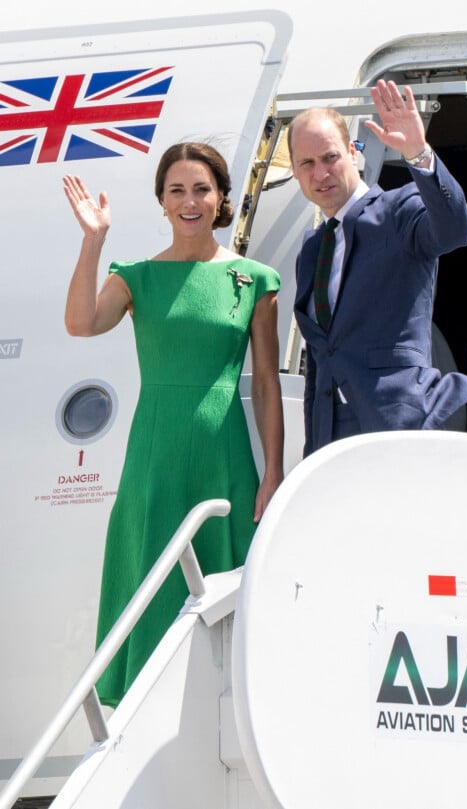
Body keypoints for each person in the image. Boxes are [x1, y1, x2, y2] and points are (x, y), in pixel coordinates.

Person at [64, 141, 284, 707]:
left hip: (226, 454)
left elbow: (264, 383)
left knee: (227, 590)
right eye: (177, 190)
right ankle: (143, 711)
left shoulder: (255, 279)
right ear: (161, 201)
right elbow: (81, 323)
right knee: (152, 578)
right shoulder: (135, 277)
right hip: (155, 454)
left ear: (221, 199)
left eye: (201, 189)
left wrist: (274, 469)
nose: (190, 201)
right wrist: (94, 241)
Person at [289, 79, 467, 456]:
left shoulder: (399, 210)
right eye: (307, 163)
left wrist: (419, 154)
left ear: (354, 153)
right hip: (331, 439)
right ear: (295, 170)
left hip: (399, 426)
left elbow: (456, 230)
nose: (321, 173)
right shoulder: (312, 249)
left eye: (330, 157)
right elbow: (322, 359)